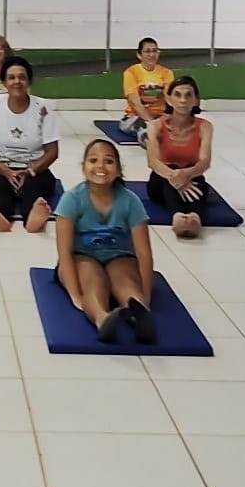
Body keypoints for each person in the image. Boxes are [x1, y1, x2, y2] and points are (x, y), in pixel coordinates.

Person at [54, 139, 157, 344]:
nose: (100, 166)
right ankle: (102, 319)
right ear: (83, 167)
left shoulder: (130, 201)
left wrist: (146, 295)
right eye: (93, 160)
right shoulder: (72, 199)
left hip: (120, 256)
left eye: (108, 161)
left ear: (118, 170)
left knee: (124, 282)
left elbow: (144, 254)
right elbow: (64, 252)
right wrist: (75, 294)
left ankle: (140, 316)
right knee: (94, 282)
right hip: (82, 257)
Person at [0, 55, 59, 234]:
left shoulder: (43, 108)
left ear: (29, 81)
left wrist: (29, 171)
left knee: (33, 188)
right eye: (11, 78)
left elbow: (52, 152)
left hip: (35, 170)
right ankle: (0, 220)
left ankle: (33, 220)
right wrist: (6, 172)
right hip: (0, 168)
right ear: (4, 82)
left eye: (22, 77)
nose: (17, 82)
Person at [144, 76, 214, 239]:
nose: (183, 100)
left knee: (199, 180)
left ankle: (194, 216)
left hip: (191, 177)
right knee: (171, 176)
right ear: (168, 99)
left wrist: (185, 175)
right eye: (177, 95)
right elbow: (153, 161)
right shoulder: (155, 126)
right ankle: (178, 217)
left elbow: (204, 162)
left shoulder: (205, 126)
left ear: (196, 100)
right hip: (161, 180)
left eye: (188, 95)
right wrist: (175, 176)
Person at [119, 37, 174, 142]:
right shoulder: (131, 72)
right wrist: (150, 122)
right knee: (143, 127)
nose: (152, 55)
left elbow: (170, 99)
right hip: (136, 117)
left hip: (159, 116)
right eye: (147, 51)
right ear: (139, 55)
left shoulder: (167, 73)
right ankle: (149, 138)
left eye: (155, 51)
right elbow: (135, 103)